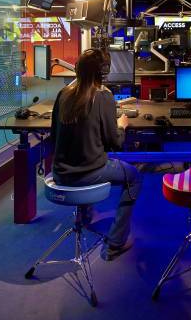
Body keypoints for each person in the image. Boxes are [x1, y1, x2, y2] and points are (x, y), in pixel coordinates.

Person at [51, 48, 143, 261]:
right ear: (104, 72)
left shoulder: (63, 94)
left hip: (60, 175)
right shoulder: (103, 97)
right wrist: (122, 125)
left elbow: (54, 137)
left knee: (87, 156)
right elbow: (115, 143)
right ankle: (115, 243)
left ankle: (85, 217)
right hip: (88, 173)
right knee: (135, 177)